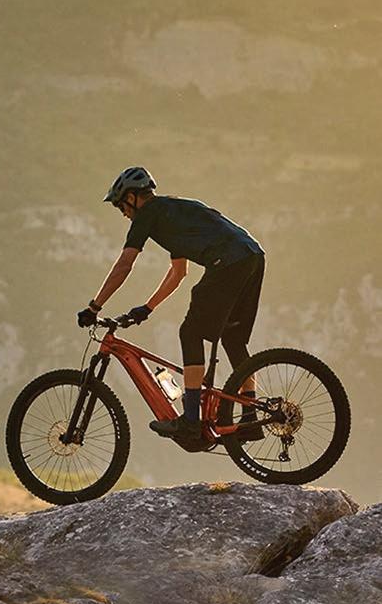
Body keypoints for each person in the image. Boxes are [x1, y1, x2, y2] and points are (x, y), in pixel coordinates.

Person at [76, 167, 265, 440]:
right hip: (253, 257)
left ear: (132, 197)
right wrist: (147, 308)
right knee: (233, 339)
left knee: (190, 333)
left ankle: (191, 420)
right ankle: (250, 418)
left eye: (121, 206)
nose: (123, 213)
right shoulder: (174, 213)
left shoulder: (148, 214)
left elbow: (125, 264)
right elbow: (178, 273)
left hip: (228, 261)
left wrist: (94, 307)